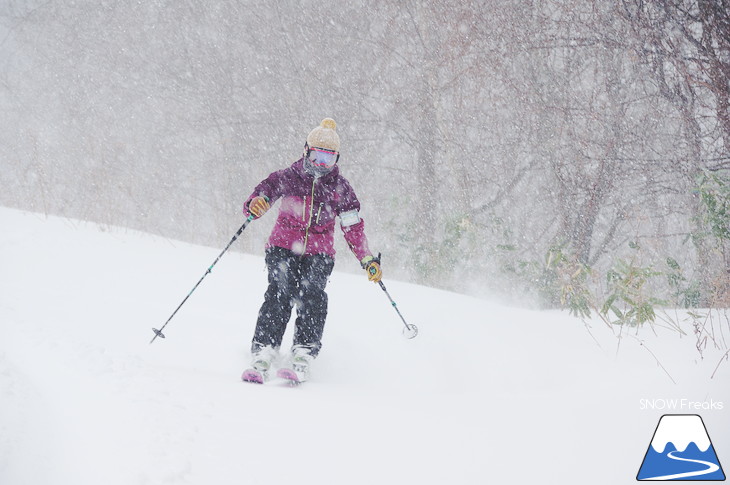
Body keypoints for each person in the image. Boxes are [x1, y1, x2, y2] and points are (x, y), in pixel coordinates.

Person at [242, 118, 382, 382]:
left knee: (312, 296)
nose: (321, 164)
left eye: (328, 159)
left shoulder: (340, 189)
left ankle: (304, 350)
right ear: (306, 151)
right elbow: (262, 195)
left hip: (319, 253)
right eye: (317, 156)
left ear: (336, 159)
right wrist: (255, 205)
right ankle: (264, 349)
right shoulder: (286, 177)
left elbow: (353, 226)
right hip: (282, 247)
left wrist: (366, 257)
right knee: (279, 294)